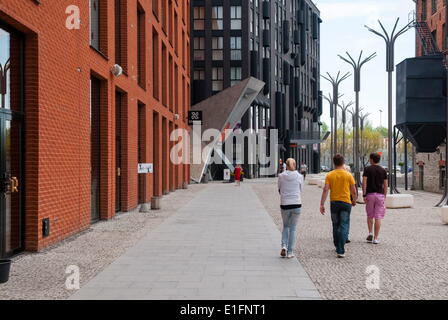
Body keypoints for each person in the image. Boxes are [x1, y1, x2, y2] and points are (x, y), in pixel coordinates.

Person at [320, 154, 357, 258]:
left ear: (333, 162)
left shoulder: (330, 175)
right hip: (346, 203)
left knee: (335, 224)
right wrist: (354, 201)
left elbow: (325, 189)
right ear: (343, 162)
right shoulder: (348, 175)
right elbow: (353, 191)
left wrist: (322, 204)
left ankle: (337, 245)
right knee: (344, 224)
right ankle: (341, 249)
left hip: (334, 203)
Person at [278, 158, 304, 259]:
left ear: (286, 165)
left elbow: (279, 189)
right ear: (295, 165)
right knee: (293, 228)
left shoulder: (281, 176)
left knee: (286, 226)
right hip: (296, 204)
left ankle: (284, 245)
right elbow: (301, 190)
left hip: (285, 204)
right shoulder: (300, 176)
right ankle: (290, 252)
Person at [362, 153, 388, 244]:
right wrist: (384, 195)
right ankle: (376, 238)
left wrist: (364, 195)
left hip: (370, 195)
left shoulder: (367, 169)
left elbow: (364, 183)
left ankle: (370, 233)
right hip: (380, 195)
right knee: (378, 217)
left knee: (370, 215)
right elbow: (385, 185)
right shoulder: (383, 170)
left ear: (372, 159)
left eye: (369, 158)